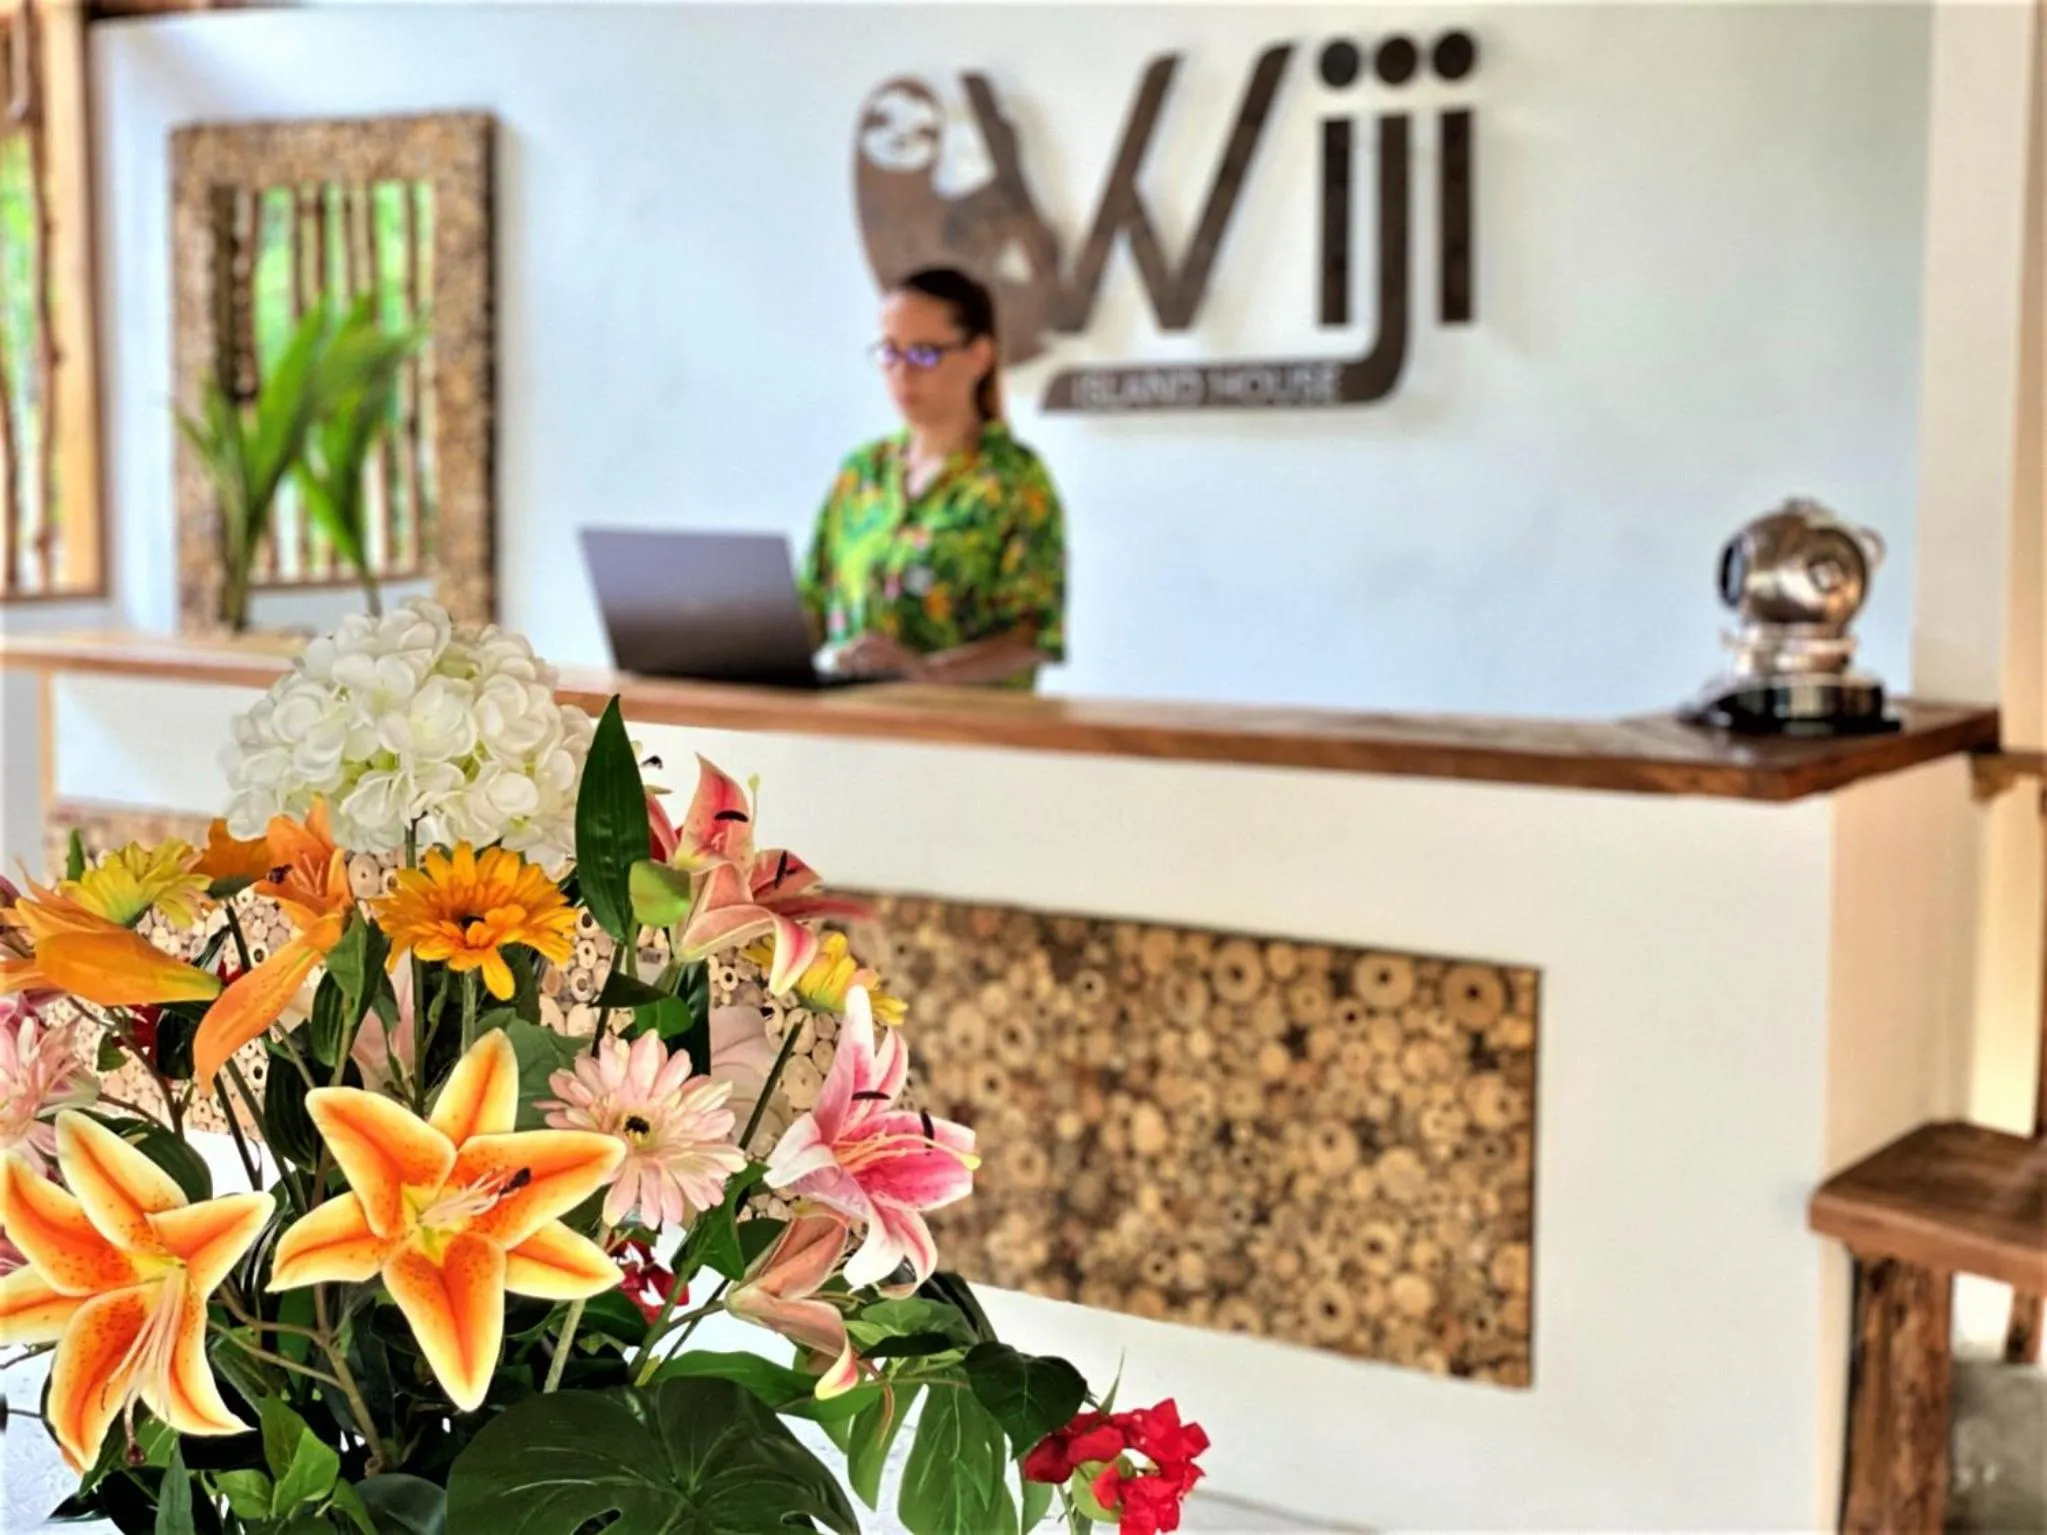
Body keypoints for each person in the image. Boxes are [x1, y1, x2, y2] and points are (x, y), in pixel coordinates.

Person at [800, 267, 1067, 687]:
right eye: (890, 353)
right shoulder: (863, 472)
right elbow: (812, 603)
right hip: (846, 730)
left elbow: (1031, 636)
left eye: (924, 354)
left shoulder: (1014, 480)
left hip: (964, 735)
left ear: (980, 356)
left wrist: (924, 674)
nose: (902, 373)